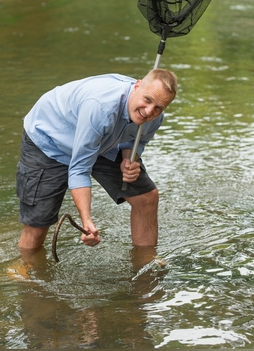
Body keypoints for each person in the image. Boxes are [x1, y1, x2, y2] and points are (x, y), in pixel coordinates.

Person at [16, 69, 177, 252]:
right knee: (38, 223)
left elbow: (137, 140)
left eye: (158, 107)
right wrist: (87, 222)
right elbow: (79, 170)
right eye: (147, 99)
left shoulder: (154, 117)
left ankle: (146, 265)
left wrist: (128, 158)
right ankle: (26, 272)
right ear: (137, 86)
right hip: (50, 140)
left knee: (146, 197)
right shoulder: (101, 107)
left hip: (104, 140)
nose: (149, 111)